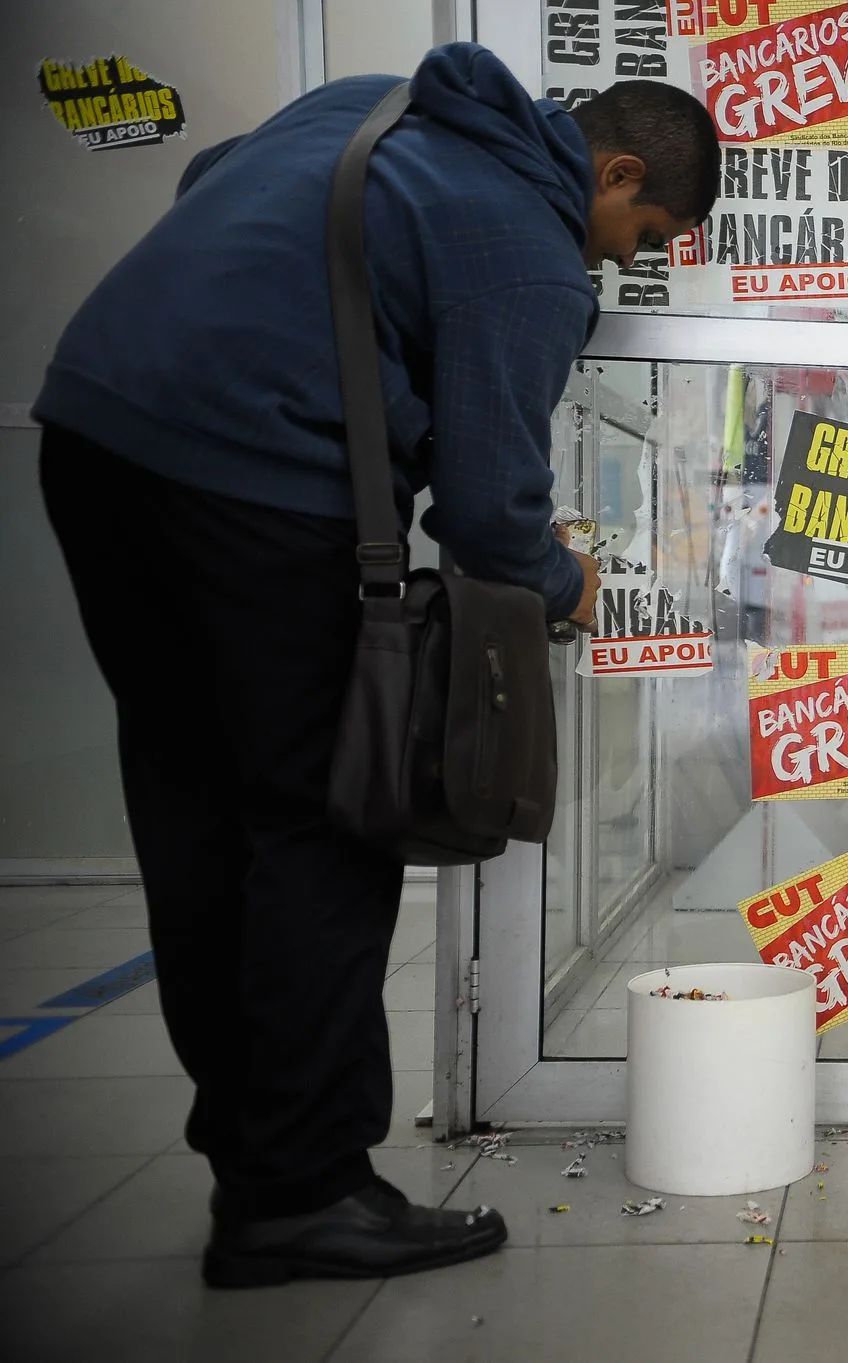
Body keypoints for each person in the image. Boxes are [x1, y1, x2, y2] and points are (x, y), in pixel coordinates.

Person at [33, 44, 717, 1288]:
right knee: (325, 820)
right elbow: (489, 514)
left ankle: (256, 1160)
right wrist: (570, 583)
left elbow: (209, 178)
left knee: (195, 810)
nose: (613, 263)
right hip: (248, 483)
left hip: (91, 428)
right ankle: (300, 1194)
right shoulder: (527, 240)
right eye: (636, 232)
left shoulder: (379, 109)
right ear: (612, 170)